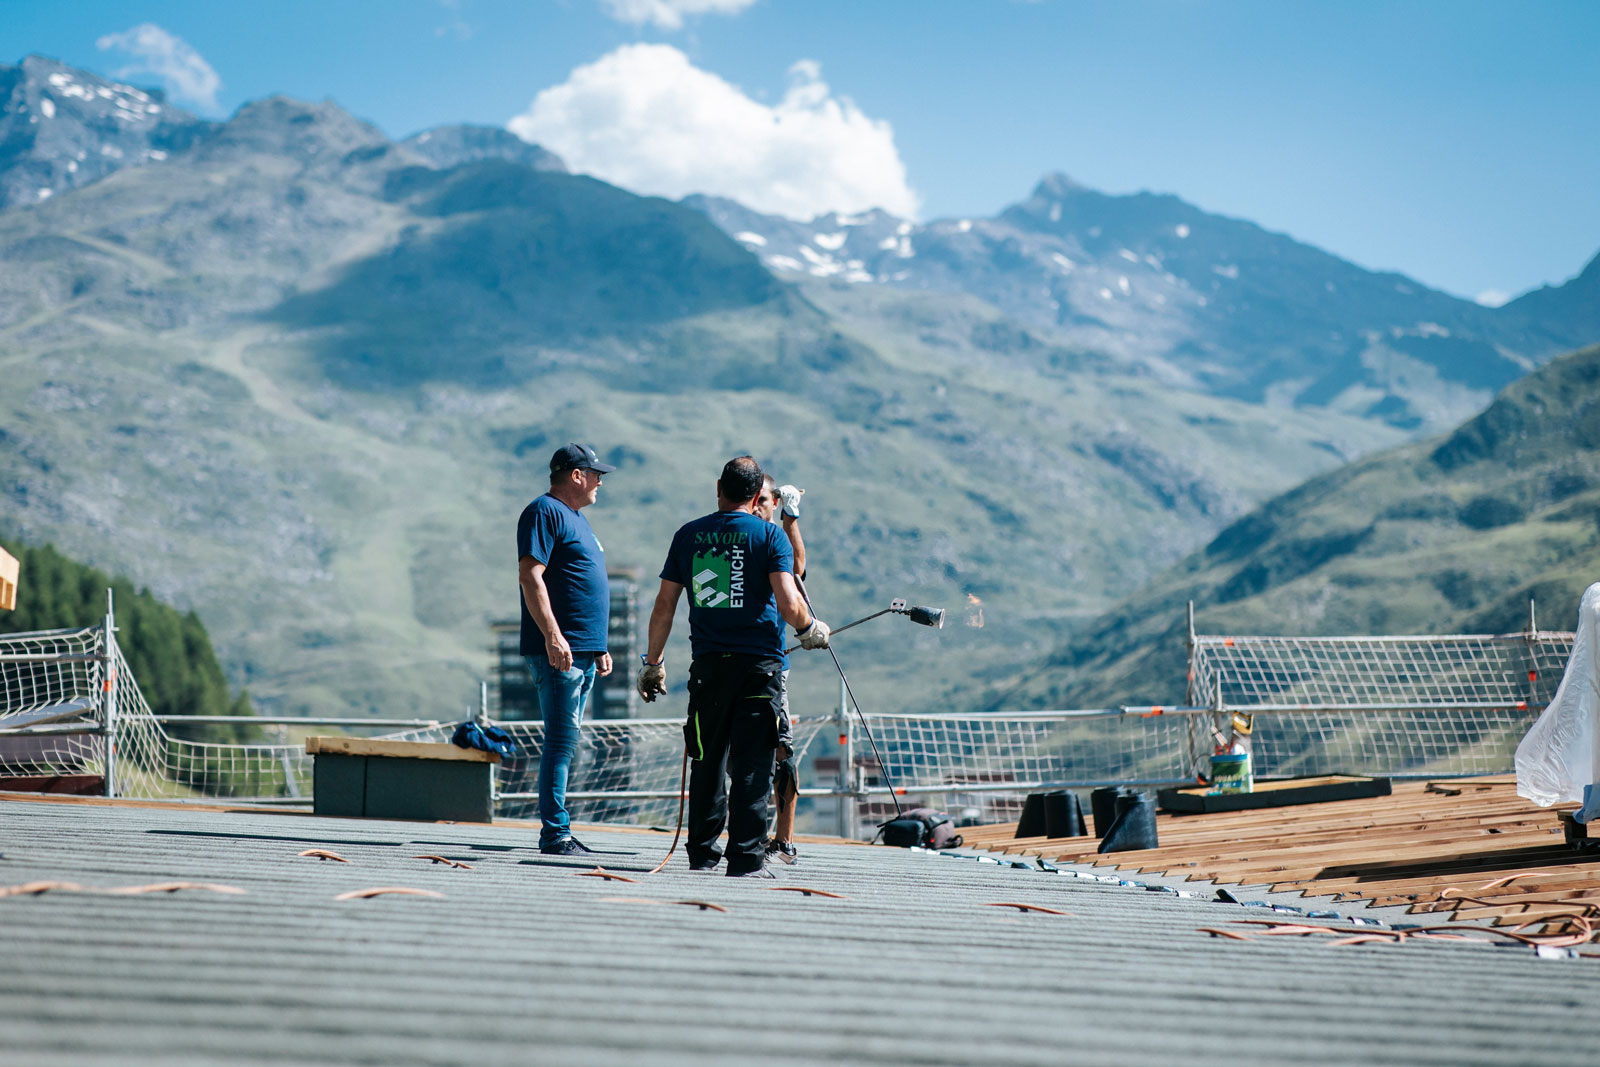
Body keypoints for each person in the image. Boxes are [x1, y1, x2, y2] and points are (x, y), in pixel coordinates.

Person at [636, 456, 830, 877]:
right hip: (760, 669)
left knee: (706, 759)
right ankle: (744, 859)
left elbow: (664, 604)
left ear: (718, 486)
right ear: (759, 494)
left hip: (707, 669)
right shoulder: (769, 537)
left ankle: (701, 855)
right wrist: (810, 628)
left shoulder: (688, 535)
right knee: (753, 765)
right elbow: (788, 601)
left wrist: (653, 663)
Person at [517, 442, 617, 857]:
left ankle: (560, 830)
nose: (599, 482)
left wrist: (599, 646)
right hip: (560, 652)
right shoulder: (544, 511)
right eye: (596, 475)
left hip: (583, 653)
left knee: (568, 741)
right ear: (576, 475)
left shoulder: (575, 519)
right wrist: (554, 636)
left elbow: (579, 585)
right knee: (560, 741)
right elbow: (530, 575)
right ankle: (555, 834)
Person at [754, 475, 806, 864]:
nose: (759, 504)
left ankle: (784, 838)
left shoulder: (774, 540)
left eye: (765, 499)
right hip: (750, 656)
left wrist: (791, 519)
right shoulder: (747, 534)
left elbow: (799, 570)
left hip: (771, 660)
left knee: (780, 746)